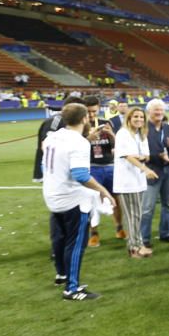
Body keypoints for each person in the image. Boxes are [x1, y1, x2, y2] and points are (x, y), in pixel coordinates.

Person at [41, 103, 116, 300]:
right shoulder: (79, 143)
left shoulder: (52, 138)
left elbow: (45, 165)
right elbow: (81, 175)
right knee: (75, 244)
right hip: (71, 199)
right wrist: (103, 190)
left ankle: (62, 274)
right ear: (85, 119)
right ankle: (72, 288)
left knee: (59, 238)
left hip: (52, 194)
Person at [113, 107, 157, 259]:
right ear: (129, 118)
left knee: (136, 215)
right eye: (135, 117)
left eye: (141, 117)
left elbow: (146, 155)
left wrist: (140, 159)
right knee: (133, 215)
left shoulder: (140, 134)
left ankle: (138, 245)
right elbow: (129, 157)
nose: (139, 119)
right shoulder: (123, 134)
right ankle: (134, 248)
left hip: (137, 180)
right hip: (127, 181)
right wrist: (145, 169)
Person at [141, 98, 169, 247]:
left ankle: (165, 233)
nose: (159, 112)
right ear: (148, 112)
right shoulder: (143, 128)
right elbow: (139, 152)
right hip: (151, 170)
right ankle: (144, 238)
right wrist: (157, 155)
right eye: (155, 110)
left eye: (161, 110)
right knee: (147, 208)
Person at [85, 95, 120, 247]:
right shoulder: (81, 126)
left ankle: (119, 227)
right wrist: (88, 138)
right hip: (91, 167)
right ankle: (94, 233)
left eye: (94, 111)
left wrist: (112, 134)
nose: (92, 115)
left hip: (110, 166)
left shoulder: (107, 123)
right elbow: (75, 147)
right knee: (92, 201)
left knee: (116, 199)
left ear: (99, 108)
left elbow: (117, 145)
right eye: (88, 112)